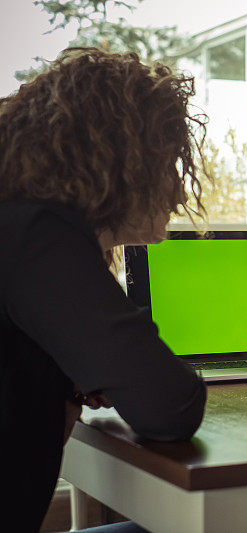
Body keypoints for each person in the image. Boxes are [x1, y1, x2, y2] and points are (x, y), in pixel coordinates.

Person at [0, 48, 209, 531]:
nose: (178, 191)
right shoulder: (37, 234)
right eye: (169, 164)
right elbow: (170, 408)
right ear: (124, 161)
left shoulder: (17, 227)